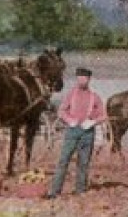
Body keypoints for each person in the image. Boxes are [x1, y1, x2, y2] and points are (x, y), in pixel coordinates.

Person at [46, 67, 107, 198]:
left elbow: (103, 116)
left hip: (88, 133)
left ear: (89, 80)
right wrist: (70, 120)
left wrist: (93, 122)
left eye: (84, 78)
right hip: (72, 131)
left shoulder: (94, 97)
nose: (81, 80)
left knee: (84, 162)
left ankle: (81, 190)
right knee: (63, 160)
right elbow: (61, 111)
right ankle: (55, 191)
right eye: (79, 78)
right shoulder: (71, 95)